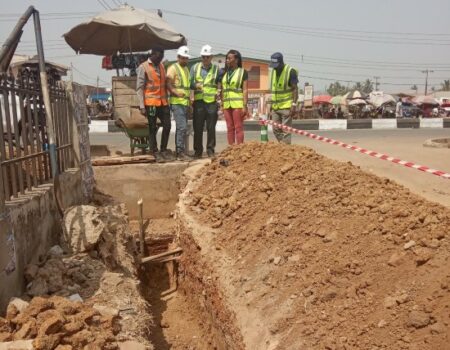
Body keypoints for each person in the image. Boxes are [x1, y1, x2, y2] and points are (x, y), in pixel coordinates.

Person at [136, 48, 171, 161]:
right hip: (151, 103)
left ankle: (163, 149)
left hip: (163, 102)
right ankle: (154, 151)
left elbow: (164, 84)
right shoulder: (143, 67)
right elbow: (139, 88)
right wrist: (141, 106)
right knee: (152, 127)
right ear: (153, 55)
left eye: (161, 57)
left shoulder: (161, 66)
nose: (160, 59)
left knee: (167, 125)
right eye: (159, 57)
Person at [190, 45, 219, 158]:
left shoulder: (216, 69)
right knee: (198, 127)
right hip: (199, 102)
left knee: (211, 127)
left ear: (211, 57)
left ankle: (210, 150)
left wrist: (219, 95)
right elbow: (190, 84)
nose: (205, 59)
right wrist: (195, 85)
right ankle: (198, 151)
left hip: (211, 102)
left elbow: (219, 84)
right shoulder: (195, 67)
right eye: (203, 57)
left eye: (207, 57)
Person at [167, 46, 192, 160]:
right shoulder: (173, 68)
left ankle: (180, 151)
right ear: (178, 57)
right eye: (183, 58)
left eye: (186, 58)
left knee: (182, 127)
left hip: (185, 102)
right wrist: (175, 93)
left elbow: (186, 87)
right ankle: (180, 152)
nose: (185, 60)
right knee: (181, 127)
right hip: (177, 103)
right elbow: (168, 84)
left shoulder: (186, 69)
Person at [269, 52, 298, 144]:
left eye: (277, 65)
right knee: (275, 129)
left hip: (286, 106)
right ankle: (284, 146)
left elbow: (295, 89)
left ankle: (286, 150)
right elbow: (274, 91)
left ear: (281, 62)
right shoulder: (273, 72)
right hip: (275, 107)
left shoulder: (290, 71)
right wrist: (271, 105)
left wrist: (293, 105)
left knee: (286, 130)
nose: (275, 67)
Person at [220, 50, 248, 145]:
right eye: (226, 58)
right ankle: (231, 149)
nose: (227, 60)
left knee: (238, 127)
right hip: (227, 105)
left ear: (236, 60)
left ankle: (239, 149)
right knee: (229, 127)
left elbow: (245, 90)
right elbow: (222, 90)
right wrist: (222, 104)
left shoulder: (243, 72)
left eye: (229, 58)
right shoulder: (224, 72)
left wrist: (245, 105)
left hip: (237, 104)